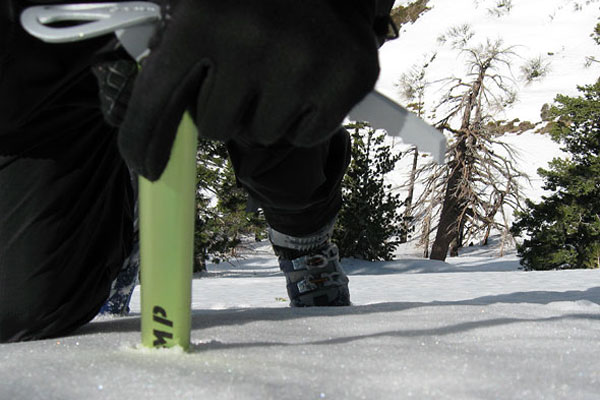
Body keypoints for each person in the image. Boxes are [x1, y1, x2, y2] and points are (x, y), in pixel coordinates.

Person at [0, 0, 396, 342]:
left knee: (275, 93)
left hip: (237, 19)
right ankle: (123, 225)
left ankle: (304, 244)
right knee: (19, 308)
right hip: (46, 39)